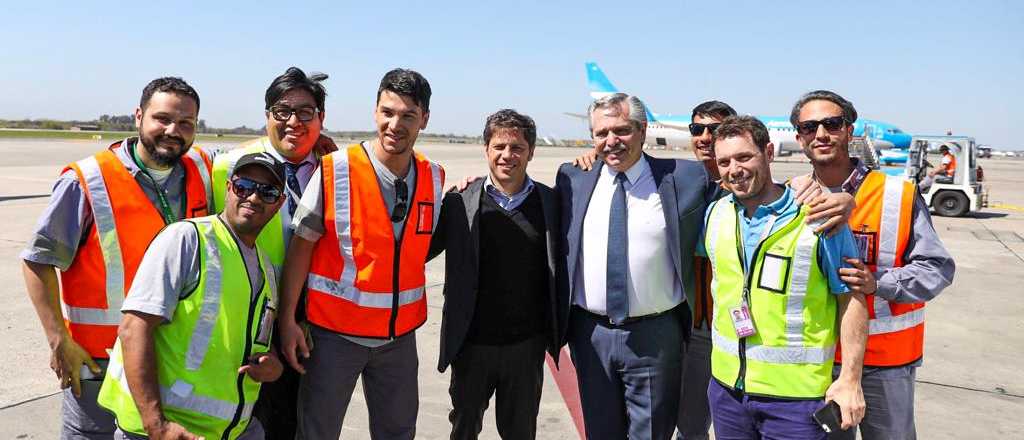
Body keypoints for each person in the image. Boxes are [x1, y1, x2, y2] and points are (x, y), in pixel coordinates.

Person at [21, 77, 212, 439]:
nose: (173, 131)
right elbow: (36, 261)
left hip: (172, 357)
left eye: (186, 123)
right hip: (102, 360)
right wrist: (58, 339)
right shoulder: (87, 181)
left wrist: (316, 149)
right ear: (138, 116)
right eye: (162, 119)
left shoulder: (199, 170)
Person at [279, 68, 444, 440]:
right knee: (317, 433)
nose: (394, 124)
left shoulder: (434, 176)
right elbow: (301, 248)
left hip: (398, 341)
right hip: (335, 339)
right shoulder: (336, 170)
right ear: (375, 112)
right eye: (387, 112)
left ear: (424, 120)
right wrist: (288, 319)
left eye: (407, 115)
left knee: (398, 432)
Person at [789, 90, 954, 440]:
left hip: (886, 363)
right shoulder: (793, 196)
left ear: (849, 130)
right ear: (799, 137)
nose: (821, 134)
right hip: (817, 363)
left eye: (831, 124)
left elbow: (937, 268)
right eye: (809, 127)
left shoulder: (897, 194)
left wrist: (878, 281)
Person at [555, 93, 721, 439]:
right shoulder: (573, 177)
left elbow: (742, 194)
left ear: (643, 131)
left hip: (656, 335)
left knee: (651, 434)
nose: (611, 141)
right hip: (591, 334)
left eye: (622, 131)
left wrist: (798, 186)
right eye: (601, 134)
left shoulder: (685, 177)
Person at [97, 152, 287, 439]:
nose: (254, 197)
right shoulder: (187, 239)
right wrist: (156, 425)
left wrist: (272, 366)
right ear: (229, 188)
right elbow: (134, 328)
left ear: (280, 203)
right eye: (244, 186)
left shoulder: (266, 269)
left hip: (231, 430)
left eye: (268, 192)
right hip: (168, 429)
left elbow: (250, 339)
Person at [703, 115, 870, 440]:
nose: (733, 170)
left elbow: (852, 298)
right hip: (727, 394)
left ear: (768, 152)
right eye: (724, 162)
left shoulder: (820, 216)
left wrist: (850, 379)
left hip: (797, 401)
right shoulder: (717, 214)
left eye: (744, 157)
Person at [210, 66, 336, 439]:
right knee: (250, 420)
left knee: (307, 422)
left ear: (321, 118)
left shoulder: (336, 170)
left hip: (315, 319)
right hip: (249, 315)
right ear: (266, 116)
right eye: (282, 112)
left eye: (305, 113)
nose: (293, 121)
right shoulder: (225, 167)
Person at [427, 109, 566, 439]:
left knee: (520, 432)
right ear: (486, 149)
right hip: (472, 345)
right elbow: (419, 250)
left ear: (531, 152)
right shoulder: (460, 202)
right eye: (499, 146)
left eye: (517, 147)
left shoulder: (552, 203)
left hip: (525, 347)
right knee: (463, 428)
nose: (508, 155)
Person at [678, 100, 737, 440]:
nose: (703, 137)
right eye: (696, 129)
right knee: (691, 423)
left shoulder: (750, 188)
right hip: (692, 324)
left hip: (738, 327)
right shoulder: (678, 180)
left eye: (713, 130)